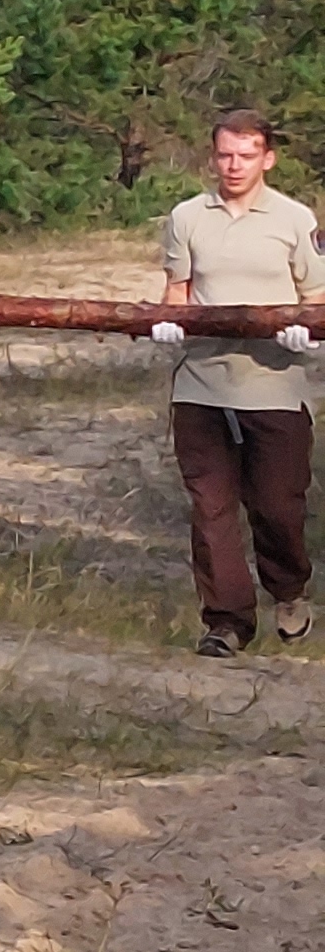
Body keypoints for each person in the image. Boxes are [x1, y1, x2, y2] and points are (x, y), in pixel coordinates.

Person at [152, 109, 324, 658]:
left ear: (267, 159)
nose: (234, 165)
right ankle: (226, 621)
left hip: (274, 384)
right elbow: (177, 291)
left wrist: (309, 334)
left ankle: (290, 589)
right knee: (211, 508)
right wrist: (167, 325)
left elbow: (317, 298)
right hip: (200, 383)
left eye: (246, 155)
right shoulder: (186, 217)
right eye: (225, 154)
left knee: (277, 505)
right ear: (213, 156)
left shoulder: (296, 220)